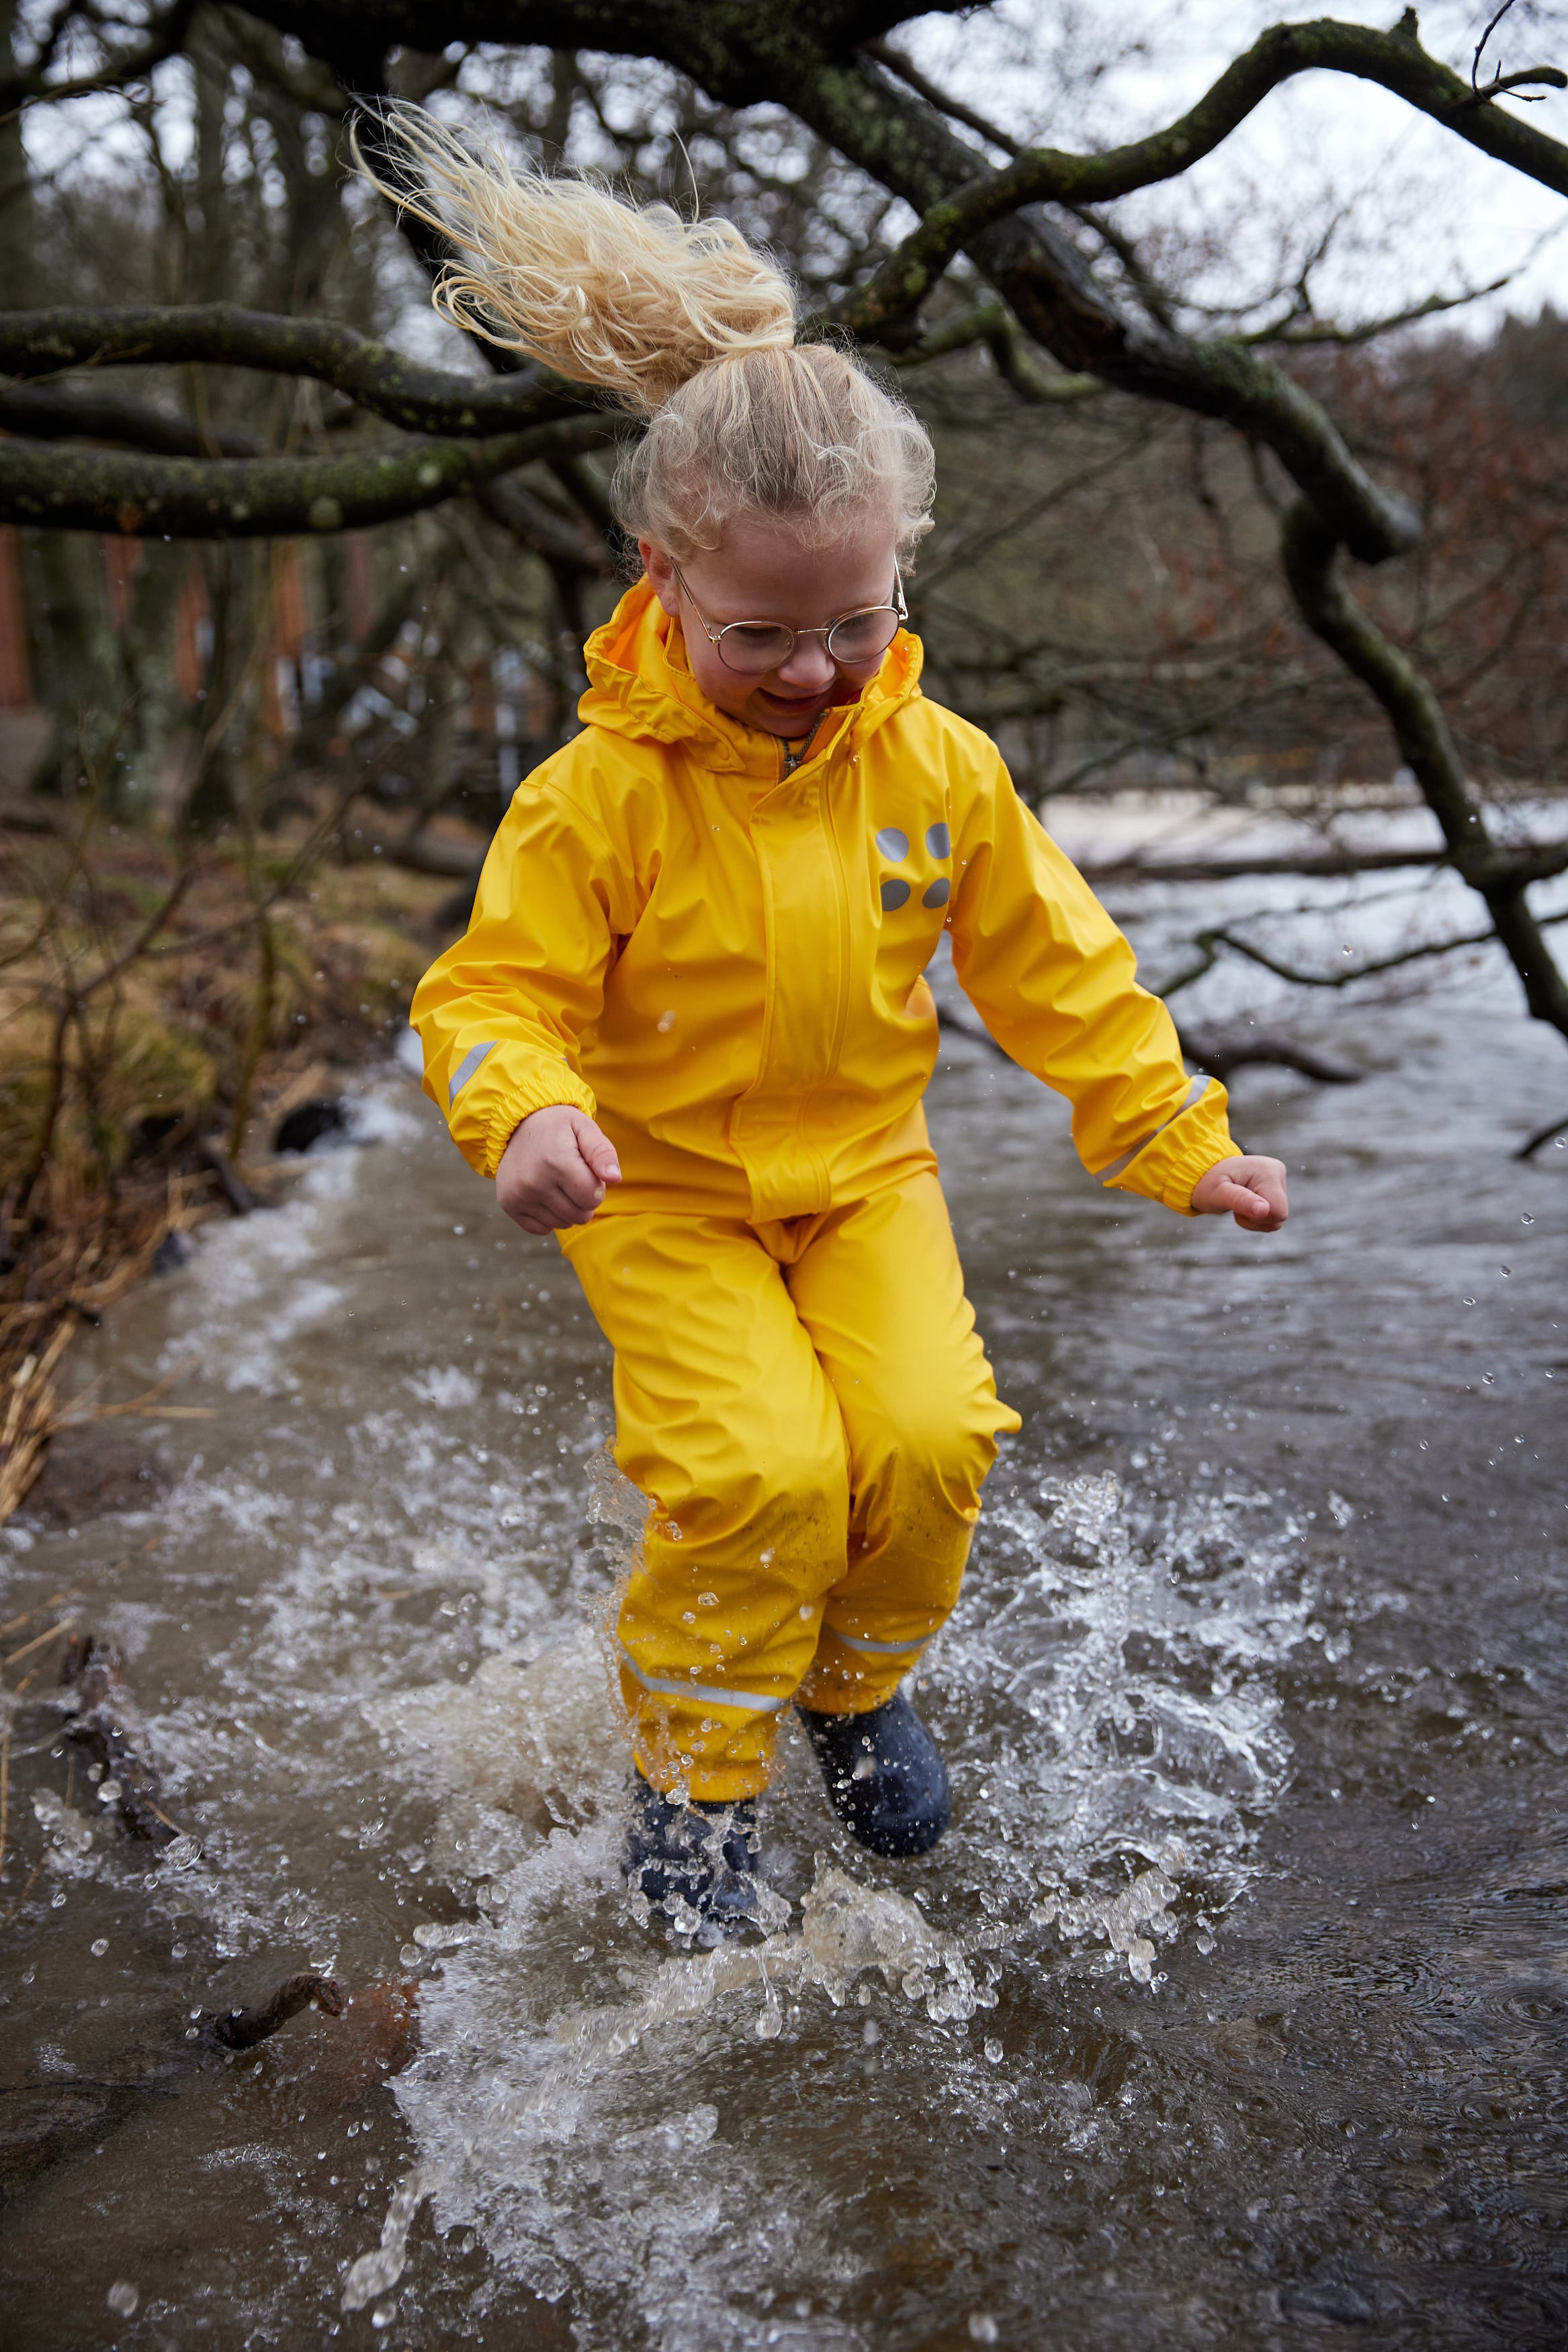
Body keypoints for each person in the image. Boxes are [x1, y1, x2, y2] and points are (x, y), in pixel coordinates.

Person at [375, 113, 1289, 1936]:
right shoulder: (598, 796)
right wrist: (524, 1115)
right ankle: (696, 1780)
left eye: (852, 625)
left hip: (866, 1173)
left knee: (934, 1433)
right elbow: (492, 992)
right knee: (765, 1468)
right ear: (661, 575)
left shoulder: (938, 766)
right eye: (761, 635)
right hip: (664, 1189)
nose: (810, 673)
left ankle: (856, 1679)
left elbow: (1060, 965)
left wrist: (1177, 1134)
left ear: (904, 580)